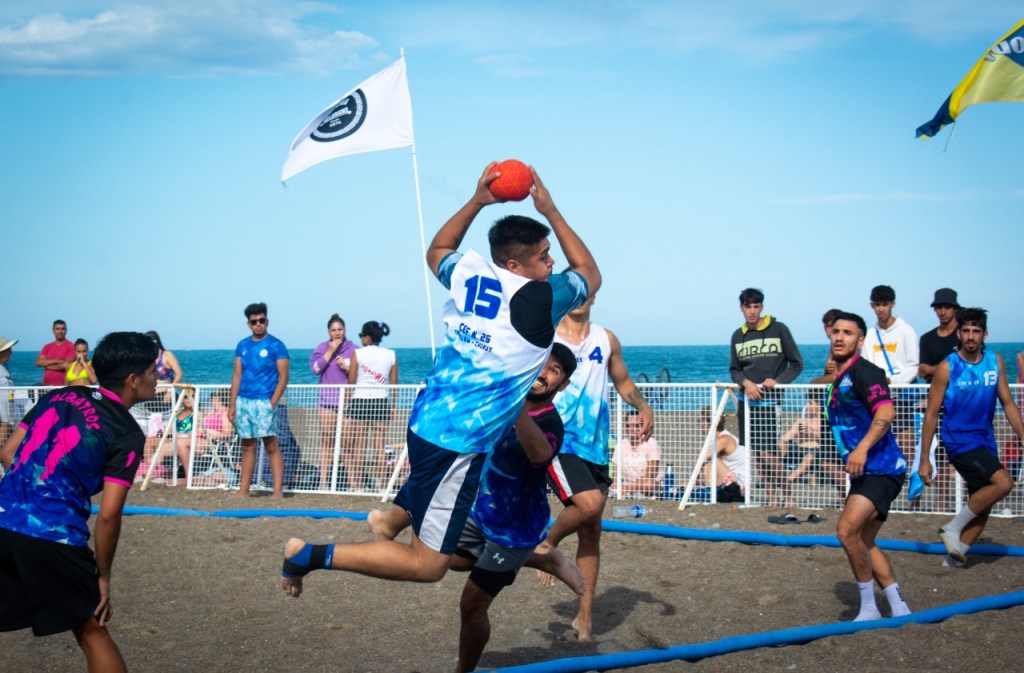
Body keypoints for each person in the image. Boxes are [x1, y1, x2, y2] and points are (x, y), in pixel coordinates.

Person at [279, 162, 599, 592]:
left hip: (426, 419)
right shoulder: (540, 299)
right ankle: (311, 555)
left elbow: (437, 250)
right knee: (429, 565)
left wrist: (477, 200)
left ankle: (389, 519)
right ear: (515, 264)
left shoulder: (471, 275)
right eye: (543, 256)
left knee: (440, 500)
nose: (551, 261)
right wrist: (552, 210)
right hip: (458, 443)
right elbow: (591, 274)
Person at [0, 331, 158, 672]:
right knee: (92, 629)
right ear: (133, 380)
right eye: (153, 370)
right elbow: (109, 515)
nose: (157, 377)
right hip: (54, 533)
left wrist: (38, 485)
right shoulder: (127, 432)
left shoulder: (62, 396)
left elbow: (8, 452)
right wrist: (104, 577)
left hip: (3, 516)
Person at [450, 345, 584, 673]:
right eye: (542, 365)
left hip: (515, 529)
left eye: (554, 371)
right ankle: (540, 557)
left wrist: (516, 408)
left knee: (471, 603)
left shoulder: (551, 422)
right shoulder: (503, 401)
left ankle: (462, 671)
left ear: (562, 385)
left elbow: (539, 454)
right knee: (448, 562)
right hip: (480, 511)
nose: (543, 373)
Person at [537, 292, 653, 642]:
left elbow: (623, 382)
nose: (581, 297)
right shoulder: (546, 337)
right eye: (574, 289)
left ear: (595, 295)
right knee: (591, 504)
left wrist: (644, 406)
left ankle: (583, 620)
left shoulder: (607, 338)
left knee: (591, 531)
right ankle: (547, 542)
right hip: (557, 438)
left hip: (597, 444)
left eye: (586, 289)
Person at [919, 308, 1024, 568]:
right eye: (965, 330)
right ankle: (951, 528)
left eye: (976, 331)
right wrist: (924, 459)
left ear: (984, 334)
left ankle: (952, 562)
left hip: (986, 440)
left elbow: (1008, 402)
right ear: (958, 333)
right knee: (1003, 483)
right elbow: (931, 414)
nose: (970, 336)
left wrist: (1023, 435)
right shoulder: (947, 367)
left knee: (982, 502)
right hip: (958, 441)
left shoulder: (995, 361)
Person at [826, 312, 911, 621]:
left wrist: (861, 449)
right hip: (866, 471)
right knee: (865, 540)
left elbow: (886, 412)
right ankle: (899, 607)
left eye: (847, 333)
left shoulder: (865, 372)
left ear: (860, 340)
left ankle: (869, 608)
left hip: (882, 468)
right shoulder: (840, 376)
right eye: (836, 331)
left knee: (847, 531)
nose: (839, 337)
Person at [728, 288, 804, 507]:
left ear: (761, 307)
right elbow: (734, 369)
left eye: (756, 306)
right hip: (746, 403)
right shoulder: (738, 335)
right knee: (758, 455)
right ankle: (771, 497)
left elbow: (797, 364)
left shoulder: (779, 329)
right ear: (741, 308)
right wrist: (746, 383)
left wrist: (779, 381)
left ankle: (788, 496)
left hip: (770, 403)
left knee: (769, 453)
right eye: (747, 306)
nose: (752, 311)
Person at [228, 302, 290, 499]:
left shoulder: (276, 345)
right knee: (247, 445)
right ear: (248, 324)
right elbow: (237, 375)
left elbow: (284, 377)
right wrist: (232, 404)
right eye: (254, 321)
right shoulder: (242, 345)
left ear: (267, 321)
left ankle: (278, 491)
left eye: (262, 320)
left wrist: (272, 403)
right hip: (244, 400)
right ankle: (244, 490)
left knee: (271, 444)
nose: (258, 324)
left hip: (264, 400)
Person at [859, 285, 920, 455]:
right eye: (877, 305)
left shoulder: (906, 331)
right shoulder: (870, 333)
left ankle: (905, 476)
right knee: (878, 438)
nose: (881, 309)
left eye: (885, 304)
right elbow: (865, 363)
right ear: (872, 306)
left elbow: (914, 366)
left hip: (901, 395)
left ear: (892, 304)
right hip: (878, 395)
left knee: (905, 440)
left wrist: (892, 381)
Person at [347, 321, 398, 490]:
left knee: (359, 444)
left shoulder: (358, 353)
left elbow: (351, 380)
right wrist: (393, 406)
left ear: (367, 337)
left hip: (360, 400)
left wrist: (347, 402)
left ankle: (359, 484)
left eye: (361, 336)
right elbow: (394, 384)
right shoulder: (391, 354)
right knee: (379, 445)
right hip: (381, 400)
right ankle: (383, 484)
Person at [309, 314, 355, 490]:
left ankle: (352, 483)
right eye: (334, 330)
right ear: (329, 332)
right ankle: (323, 482)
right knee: (327, 440)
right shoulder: (322, 347)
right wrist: (329, 351)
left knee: (347, 443)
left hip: (347, 404)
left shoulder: (354, 349)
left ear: (345, 330)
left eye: (340, 329)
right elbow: (315, 369)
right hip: (326, 402)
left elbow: (361, 372)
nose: (337, 333)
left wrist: (348, 367)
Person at [610, 411, 662, 499]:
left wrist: (630, 487)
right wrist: (615, 485)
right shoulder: (621, 445)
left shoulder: (651, 442)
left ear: (643, 426)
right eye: (628, 425)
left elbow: (651, 474)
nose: (633, 428)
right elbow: (616, 475)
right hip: (627, 485)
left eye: (637, 425)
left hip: (647, 485)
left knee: (648, 484)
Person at [701, 407, 746, 503]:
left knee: (712, 460)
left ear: (706, 424)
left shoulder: (724, 439)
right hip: (730, 479)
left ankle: (709, 494)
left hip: (739, 485)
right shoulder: (717, 439)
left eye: (700, 421)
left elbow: (703, 458)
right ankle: (709, 491)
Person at [918, 288, 960, 383]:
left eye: (947, 307)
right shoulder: (926, 339)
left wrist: (931, 369)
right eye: (939, 307)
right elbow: (923, 372)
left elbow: (967, 368)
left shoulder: (964, 334)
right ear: (935, 309)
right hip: (935, 393)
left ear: (955, 309)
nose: (943, 312)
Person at [35, 319, 75, 387]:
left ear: (66, 330)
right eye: (57, 329)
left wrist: (46, 365)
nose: (60, 331)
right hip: (46, 385)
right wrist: (57, 361)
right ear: (53, 330)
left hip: (63, 386)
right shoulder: (47, 346)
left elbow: (66, 365)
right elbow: (38, 362)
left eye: (62, 329)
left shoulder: (71, 346)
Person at [0, 337, 18, 447]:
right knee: (5, 425)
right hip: (2, 401)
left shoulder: (4, 368)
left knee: (8, 426)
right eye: (8, 349)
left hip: (7, 401)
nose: (11, 351)